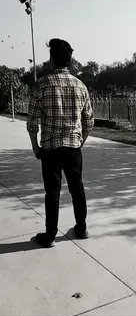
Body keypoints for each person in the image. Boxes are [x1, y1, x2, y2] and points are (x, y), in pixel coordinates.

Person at [27, 38, 94, 248]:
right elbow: (89, 122)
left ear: (51, 59)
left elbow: (32, 122)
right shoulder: (80, 86)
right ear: (70, 60)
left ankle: (50, 235)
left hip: (50, 148)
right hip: (73, 147)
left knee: (53, 191)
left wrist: (35, 147)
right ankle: (81, 227)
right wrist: (79, 142)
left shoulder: (41, 85)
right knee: (77, 187)